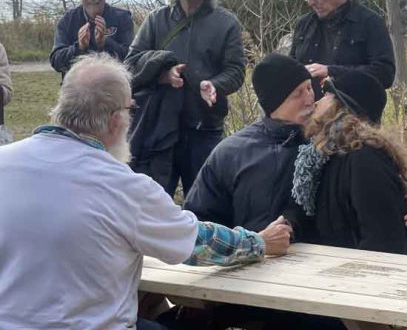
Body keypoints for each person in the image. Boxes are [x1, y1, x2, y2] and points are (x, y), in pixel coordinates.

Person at [0, 53, 291, 330]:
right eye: (130, 109)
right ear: (116, 119)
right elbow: (197, 243)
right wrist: (259, 242)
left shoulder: (5, 161)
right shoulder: (122, 186)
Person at [185, 53, 407, 234]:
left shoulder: (335, 141)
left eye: (310, 88)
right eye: (298, 93)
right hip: (251, 268)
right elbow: (198, 221)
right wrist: (245, 244)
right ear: (275, 103)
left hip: (321, 271)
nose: (310, 98)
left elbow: (375, 190)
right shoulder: (233, 151)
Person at [125, 0, 245, 198]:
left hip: (204, 128)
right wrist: (162, 73)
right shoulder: (156, 20)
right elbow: (131, 64)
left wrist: (214, 85)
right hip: (159, 127)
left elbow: (236, 70)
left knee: (205, 203)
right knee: (153, 201)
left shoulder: (227, 23)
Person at [286, 71, 407, 258]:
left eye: (327, 96)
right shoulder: (319, 156)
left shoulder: (363, 159)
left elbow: (382, 242)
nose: (317, 102)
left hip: (382, 276)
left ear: (342, 107)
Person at [290, 0, 395, 99]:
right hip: (308, 117)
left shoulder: (370, 22)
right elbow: (292, 70)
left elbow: (385, 74)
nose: (310, 1)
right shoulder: (304, 24)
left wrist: (332, 71)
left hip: (354, 117)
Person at [50, 0, 134, 78]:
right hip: (77, 87)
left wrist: (105, 44)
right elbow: (56, 61)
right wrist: (79, 47)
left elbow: (131, 59)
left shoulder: (123, 18)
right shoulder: (67, 20)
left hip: (113, 86)